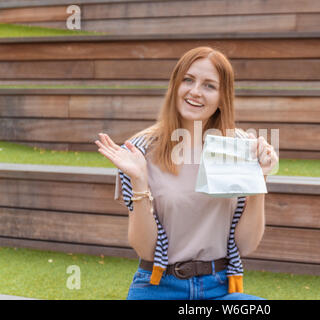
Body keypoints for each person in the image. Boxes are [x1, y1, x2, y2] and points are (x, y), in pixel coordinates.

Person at [94, 46, 278, 300]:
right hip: (158, 288)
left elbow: (246, 245)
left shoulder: (239, 147)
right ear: (174, 85)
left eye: (209, 85)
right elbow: (145, 249)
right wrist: (139, 181)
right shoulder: (139, 150)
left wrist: (259, 181)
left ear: (223, 97)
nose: (195, 91)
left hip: (219, 289)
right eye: (188, 80)